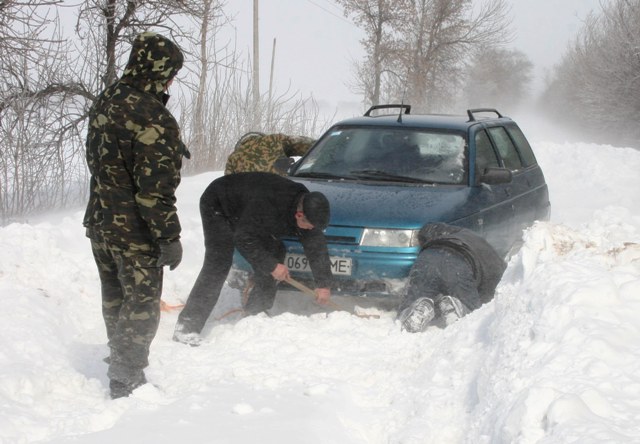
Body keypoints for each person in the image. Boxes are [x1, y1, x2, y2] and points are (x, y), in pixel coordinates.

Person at [83, 32, 190, 399]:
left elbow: (98, 163)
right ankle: (126, 381)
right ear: (162, 72)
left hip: (100, 222)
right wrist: (169, 238)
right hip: (134, 232)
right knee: (141, 306)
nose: (172, 80)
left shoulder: (107, 100)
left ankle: (119, 361)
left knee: (114, 297)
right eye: (172, 73)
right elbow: (154, 192)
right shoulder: (153, 118)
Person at [173, 172, 333, 346]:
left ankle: (255, 312)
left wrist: (323, 283)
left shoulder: (306, 205)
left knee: (275, 251)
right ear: (299, 215)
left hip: (249, 210)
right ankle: (187, 327)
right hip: (219, 203)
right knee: (219, 262)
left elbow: (316, 246)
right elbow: (243, 239)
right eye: (309, 225)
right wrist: (272, 266)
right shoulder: (270, 205)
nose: (310, 229)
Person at [397, 223, 507, 333]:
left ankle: (418, 308)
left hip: (427, 257)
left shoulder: (451, 233)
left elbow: (428, 229)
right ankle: (456, 307)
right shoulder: (494, 262)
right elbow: (491, 289)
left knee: (410, 304)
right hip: (457, 263)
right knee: (473, 313)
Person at [224, 132, 315, 176]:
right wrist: (324, 146)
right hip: (284, 188)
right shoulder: (273, 139)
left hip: (254, 201)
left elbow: (227, 184)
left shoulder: (234, 157)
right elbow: (301, 143)